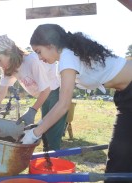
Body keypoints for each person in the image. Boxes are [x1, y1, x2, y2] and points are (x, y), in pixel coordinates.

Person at [23, 23, 132, 182]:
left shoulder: (67, 56)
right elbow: (60, 103)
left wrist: (34, 134)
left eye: (39, 52)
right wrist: (38, 126)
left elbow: (63, 104)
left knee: (119, 160)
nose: (39, 58)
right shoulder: (68, 56)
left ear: (51, 45)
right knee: (120, 156)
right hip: (125, 97)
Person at [0, 34, 67, 150]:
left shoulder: (31, 60)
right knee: (44, 132)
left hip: (56, 93)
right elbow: (1, 92)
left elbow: (46, 90)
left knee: (52, 134)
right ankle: (48, 158)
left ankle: (53, 160)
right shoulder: (9, 69)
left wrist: (32, 110)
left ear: (9, 52)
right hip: (43, 96)